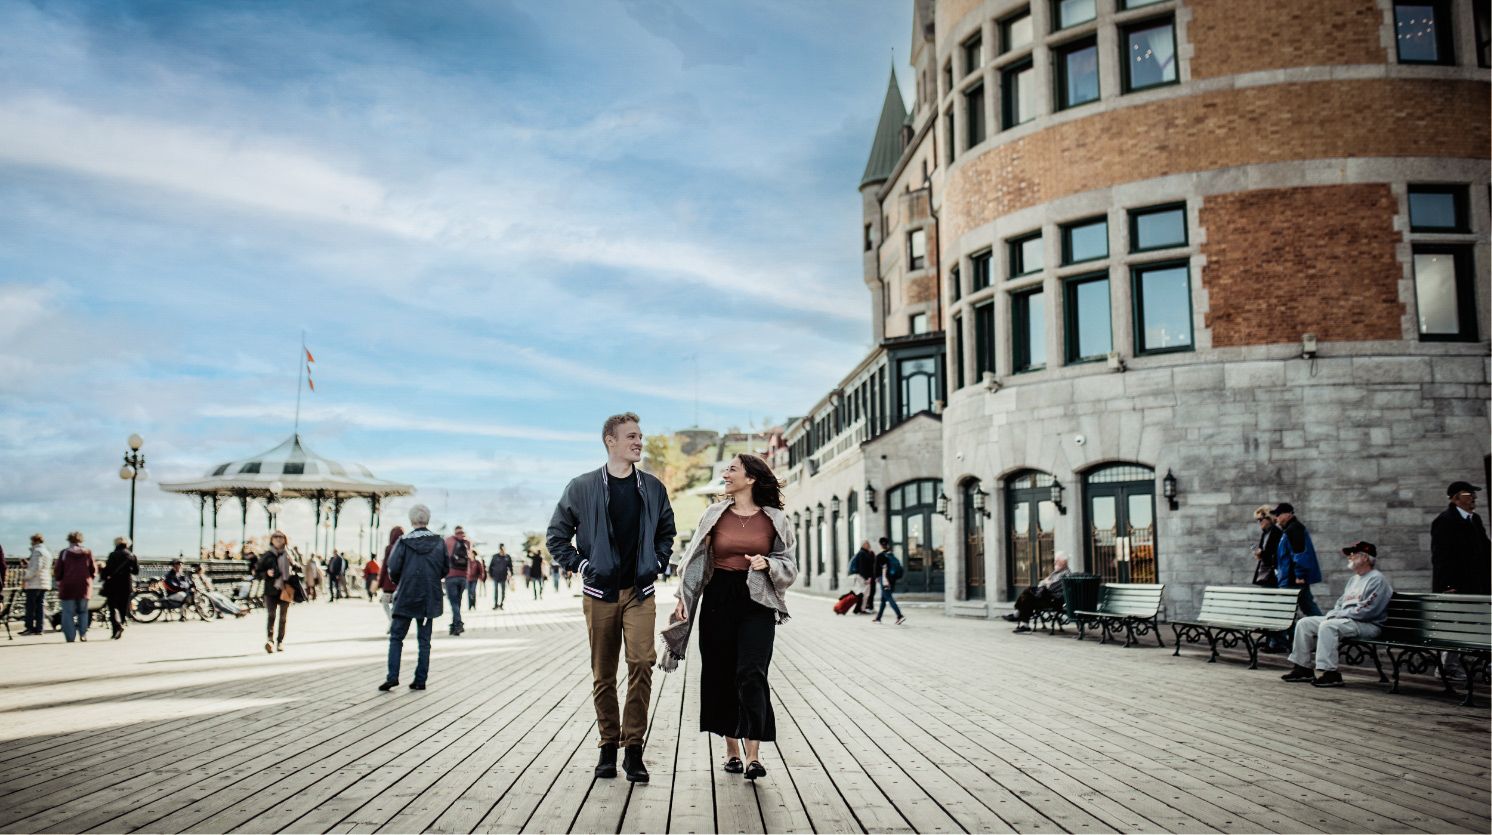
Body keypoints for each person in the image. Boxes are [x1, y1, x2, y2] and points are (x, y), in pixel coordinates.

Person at [548, 412, 676, 783]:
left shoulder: (652, 487)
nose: (639, 442)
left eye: (640, 436)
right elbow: (557, 536)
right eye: (632, 436)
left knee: (641, 663)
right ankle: (608, 744)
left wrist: (657, 561)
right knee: (603, 674)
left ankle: (633, 749)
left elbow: (666, 531)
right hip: (599, 594)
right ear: (611, 441)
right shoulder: (582, 486)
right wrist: (584, 566)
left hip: (640, 592)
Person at [661, 454, 797, 782]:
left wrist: (769, 564)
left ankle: (754, 756)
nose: (725, 474)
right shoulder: (714, 514)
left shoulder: (776, 519)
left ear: (750, 478)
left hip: (757, 599)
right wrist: (683, 599)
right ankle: (731, 751)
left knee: (751, 672)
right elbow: (693, 559)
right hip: (718, 598)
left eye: (732, 469)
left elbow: (789, 565)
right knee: (721, 672)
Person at [1281, 541, 1393, 687]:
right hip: (1348, 621)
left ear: (1365, 558)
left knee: (1328, 626)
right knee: (1305, 623)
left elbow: (1368, 610)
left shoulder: (1377, 579)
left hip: (1368, 625)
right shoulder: (1354, 579)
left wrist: (1339, 615)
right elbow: (1340, 603)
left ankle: (1330, 673)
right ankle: (1303, 668)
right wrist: (1334, 613)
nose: (1349, 557)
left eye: (1352, 554)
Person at [382, 505, 449, 692]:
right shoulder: (439, 542)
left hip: (406, 595)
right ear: (427, 520)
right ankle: (420, 679)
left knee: (396, 637)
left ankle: (392, 676)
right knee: (424, 640)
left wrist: (401, 582)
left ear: (412, 520)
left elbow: (393, 568)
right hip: (429, 596)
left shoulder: (403, 542)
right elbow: (445, 568)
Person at [1431, 481, 1490, 595]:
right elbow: (1441, 557)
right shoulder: (1444, 521)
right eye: (1468, 494)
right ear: (1455, 498)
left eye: (1474, 494)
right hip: (1459, 587)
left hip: (1480, 584)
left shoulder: (1475, 519)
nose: (1474, 497)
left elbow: (1485, 547)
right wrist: (1447, 586)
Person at [1272, 503, 1322, 617]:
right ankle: (1320, 628)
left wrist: (1300, 575)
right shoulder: (1289, 529)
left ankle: (1322, 629)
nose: (1276, 518)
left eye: (1279, 514)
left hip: (1293, 579)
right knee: (1304, 607)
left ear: (1289, 514)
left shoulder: (1294, 528)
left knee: (1290, 611)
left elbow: (1300, 553)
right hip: (1290, 578)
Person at [1005, 552, 1071, 632]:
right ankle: (1024, 624)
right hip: (1046, 597)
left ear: (1063, 562)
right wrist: (1046, 583)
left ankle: (1018, 615)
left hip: (1053, 600)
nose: (1054, 562)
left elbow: (1052, 587)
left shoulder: (1066, 575)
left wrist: (1047, 583)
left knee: (1028, 593)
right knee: (1027, 597)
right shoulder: (1055, 572)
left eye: (1057, 561)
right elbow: (1042, 583)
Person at [255, 531, 296, 653]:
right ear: (271, 540)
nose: (278, 539)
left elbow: (299, 569)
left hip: (286, 589)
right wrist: (266, 573)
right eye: (275, 537)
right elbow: (257, 572)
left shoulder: (290, 554)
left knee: (283, 617)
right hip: (271, 589)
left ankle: (280, 642)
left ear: (285, 539)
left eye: (281, 537)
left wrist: (292, 564)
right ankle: (270, 641)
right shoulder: (267, 555)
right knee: (271, 615)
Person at [54, 531, 95, 642]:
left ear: (69, 540)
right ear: (81, 540)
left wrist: (59, 581)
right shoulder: (87, 552)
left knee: (67, 612)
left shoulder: (64, 552)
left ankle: (70, 636)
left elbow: (58, 570)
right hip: (84, 586)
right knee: (83, 611)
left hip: (68, 586)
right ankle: (83, 634)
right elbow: (93, 570)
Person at [99, 537, 139, 639]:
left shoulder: (113, 555)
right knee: (122, 607)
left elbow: (107, 570)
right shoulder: (131, 555)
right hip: (126, 584)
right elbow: (135, 571)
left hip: (113, 584)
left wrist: (103, 576)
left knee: (113, 607)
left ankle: (116, 628)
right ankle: (120, 624)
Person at [20, 533, 52, 636]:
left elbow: (36, 568)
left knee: (30, 606)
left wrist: (26, 577)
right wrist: (28, 564)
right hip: (44, 582)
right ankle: (39, 628)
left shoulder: (37, 552)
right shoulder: (47, 552)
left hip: (35, 583)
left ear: (35, 541)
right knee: (40, 606)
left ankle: (29, 627)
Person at [444, 525, 472, 635]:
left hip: (451, 576)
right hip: (463, 576)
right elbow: (469, 559)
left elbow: (444, 557)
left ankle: (458, 623)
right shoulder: (468, 542)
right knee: (458, 602)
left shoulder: (448, 540)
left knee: (453, 602)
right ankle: (454, 626)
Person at [873, 537, 905, 625]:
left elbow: (876, 570)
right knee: (884, 599)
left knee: (889, 598)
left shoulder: (880, 556)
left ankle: (899, 616)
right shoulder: (892, 555)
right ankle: (878, 618)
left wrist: (877, 578)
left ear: (880, 545)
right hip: (892, 580)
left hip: (884, 580)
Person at [1252, 506, 1282, 587]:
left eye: (1261, 519)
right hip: (1265, 573)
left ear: (1269, 518)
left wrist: (1262, 553)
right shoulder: (1265, 533)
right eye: (1258, 520)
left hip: (1273, 574)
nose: (1259, 522)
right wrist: (1259, 554)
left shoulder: (1277, 532)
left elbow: (1276, 555)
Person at [380, 527, 404, 627]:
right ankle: (394, 623)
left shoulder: (389, 548)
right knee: (396, 604)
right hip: (400, 583)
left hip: (388, 582)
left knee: (385, 602)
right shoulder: (405, 547)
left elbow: (384, 566)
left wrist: (380, 582)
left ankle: (392, 622)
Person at [850, 539, 876, 614]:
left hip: (864, 577)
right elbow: (862, 567)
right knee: (864, 594)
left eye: (868, 544)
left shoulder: (865, 553)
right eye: (866, 544)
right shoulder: (862, 553)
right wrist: (866, 578)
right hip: (863, 577)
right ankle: (860, 609)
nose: (868, 545)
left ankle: (860, 609)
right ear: (863, 545)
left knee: (864, 594)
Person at [490, 545, 512, 610]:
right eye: (501, 549)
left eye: (503, 549)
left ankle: (501, 604)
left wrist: (511, 575)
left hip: (504, 577)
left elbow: (510, 567)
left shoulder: (507, 557)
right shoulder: (495, 556)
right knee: (496, 591)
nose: (502, 551)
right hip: (496, 576)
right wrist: (491, 575)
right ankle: (495, 604)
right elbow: (491, 566)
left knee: (503, 591)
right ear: (499, 549)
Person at [466, 545, 485, 609]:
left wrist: (481, 577)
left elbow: (481, 570)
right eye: (469, 554)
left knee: (473, 591)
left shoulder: (477, 562)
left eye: (471, 553)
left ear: (474, 554)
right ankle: (470, 606)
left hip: (474, 578)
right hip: (468, 579)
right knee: (469, 592)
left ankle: (473, 604)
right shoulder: (467, 561)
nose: (470, 555)